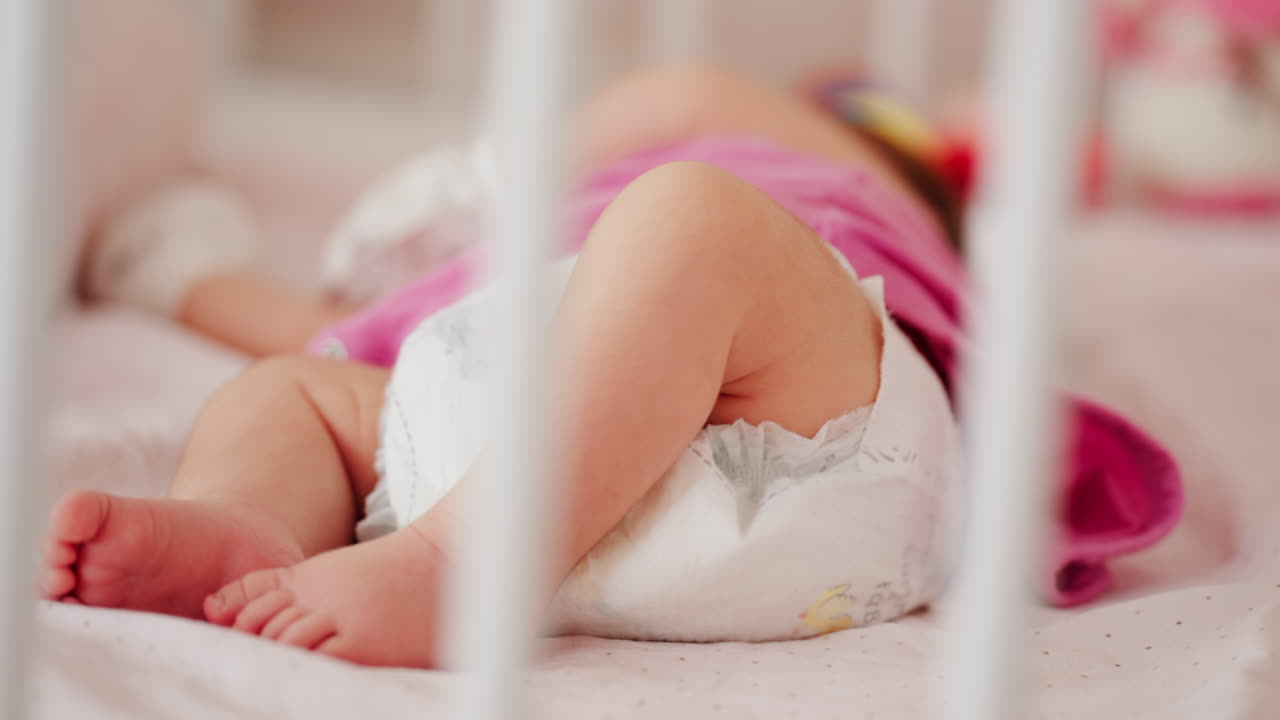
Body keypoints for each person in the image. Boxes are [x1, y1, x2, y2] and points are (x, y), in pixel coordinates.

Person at [38, 63, 1178, 668]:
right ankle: (244, 529)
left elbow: (670, 100)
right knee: (292, 394)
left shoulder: (830, 190)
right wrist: (178, 272)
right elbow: (328, 330)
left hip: (788, 426)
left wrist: (498, 176)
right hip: (522, 423)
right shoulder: (535, 272)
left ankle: (454, 565)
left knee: (686, 217)